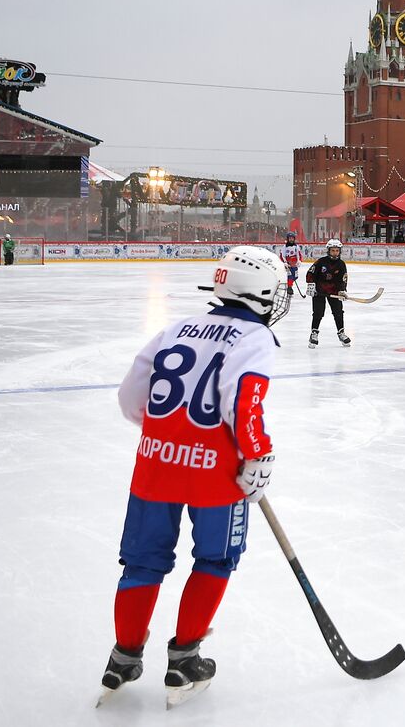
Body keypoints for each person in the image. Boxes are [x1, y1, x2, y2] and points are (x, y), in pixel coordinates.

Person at [99, 246, 288, 707]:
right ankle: (183, 661)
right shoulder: (254, 336)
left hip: (155, 466)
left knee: (142, 562)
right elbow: (243, 402)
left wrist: (170, 438)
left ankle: (123, 658)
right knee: (215, 560)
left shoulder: (176, 327)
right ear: (259, 290)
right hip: (215, 476)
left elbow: (130, 396)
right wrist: (258, 456)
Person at [305, 239, 350, 348]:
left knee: (338, 312)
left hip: (334, 291)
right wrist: (311, 284)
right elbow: (310, 273)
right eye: (333, 250)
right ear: (328, 251)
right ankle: (314, 333)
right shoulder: (321, 262)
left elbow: (343, 279)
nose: (335, 252)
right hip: (319, 291)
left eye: (337, 250)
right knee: (318, 312)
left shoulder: (341, 264)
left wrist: (342, 290)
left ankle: (341, 333)